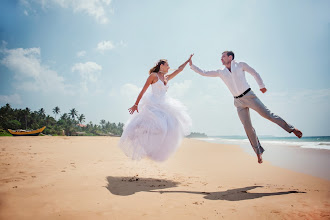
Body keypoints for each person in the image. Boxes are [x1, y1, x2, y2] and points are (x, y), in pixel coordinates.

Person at [189, 51, 302, 164]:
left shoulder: (240, 65)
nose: (221, 59)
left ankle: (291, 129)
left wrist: (261, 86)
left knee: (268, 115)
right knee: (247, 127)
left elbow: (254, 73)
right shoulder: (221, 72)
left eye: (223, 56)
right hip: (238, 102)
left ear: (230, 57)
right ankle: (258, 152)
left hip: (249, 96)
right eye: (221, 57)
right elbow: (204, 73)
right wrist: (192, 65)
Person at [118, 55, 194, 162]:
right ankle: (142, 138)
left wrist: (188, 60)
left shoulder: (166, 78)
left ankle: (153, 151)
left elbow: (179, 69)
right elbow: (143, 90)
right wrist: (135, 104)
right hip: (153, 104)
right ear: (161, 65)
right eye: (167, 65)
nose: (169, 67)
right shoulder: (153, 76)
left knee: (170, 128)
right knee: (159, 127)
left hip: (165, 105)